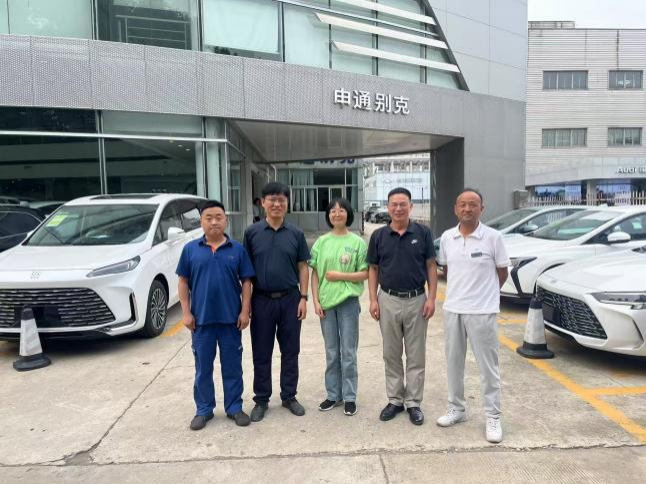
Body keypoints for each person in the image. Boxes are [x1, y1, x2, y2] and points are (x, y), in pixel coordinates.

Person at [435, 188, 510, 444]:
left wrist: (485, 295)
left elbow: (502, 273)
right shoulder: (448, 237)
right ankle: (457, 408)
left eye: (473, 204)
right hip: (453, 309)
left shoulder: (493, 237)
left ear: (482, 208)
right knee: (454, 363)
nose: (467, 209)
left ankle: (493, 416)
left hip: (482, 311)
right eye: (463, 205)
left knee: (488, 367)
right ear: (456, 209)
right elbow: (448, 270)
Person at [176, 200, 255, 431]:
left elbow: (246, 281)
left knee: (232, 367)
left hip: (231, 321)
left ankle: (234, 407)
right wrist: (186, 313)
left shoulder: (237, 249)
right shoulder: (190, 250)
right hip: (201, 322)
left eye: (218, 217)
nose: (213, 222)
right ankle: (203, 410)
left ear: (226, 220)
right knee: (203, 369)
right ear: (201, 222)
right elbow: (183, 281)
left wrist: (245, 311)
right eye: (208, 218)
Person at [367, 187, 437, 426]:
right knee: (391, 353)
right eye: (394, 204)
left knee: (416, 354)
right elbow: (373, 268)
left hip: (417, 299)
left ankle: (413, 402)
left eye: (403, 204)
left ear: (410, 206)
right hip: (388, 299)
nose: (398, 208)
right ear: (388, 208)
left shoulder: (423, 233)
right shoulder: (379, 236)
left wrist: (431, 298)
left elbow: (431, 266)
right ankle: (395, 400)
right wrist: (373, 299)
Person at [243, 182, 310, 421]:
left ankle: (289, 396)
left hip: (290, 299)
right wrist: (246, 305)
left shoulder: (296, 234)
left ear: (287, 204)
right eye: (272, 199)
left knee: (290, 351)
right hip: (261, 300)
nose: (277, 204)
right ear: (263, 203)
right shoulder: (252, 233)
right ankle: (261, 399)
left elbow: (303, 267)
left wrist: (304, 298)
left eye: (281, 199)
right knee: (261, 352)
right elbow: (246, 273)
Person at [310, 198, 368, 417]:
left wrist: (340, 276)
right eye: (332, 211)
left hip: (348, 303)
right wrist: (316, 301)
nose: (336, 214)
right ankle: (333, 394)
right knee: (332, 352)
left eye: (341, 210)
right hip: (326, 303)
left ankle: (350, 397)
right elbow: (315, 274)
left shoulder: (357, 243)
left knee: (349, 352)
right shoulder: (321, 242)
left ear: (348, 214)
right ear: (328, 215)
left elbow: (365, 273)